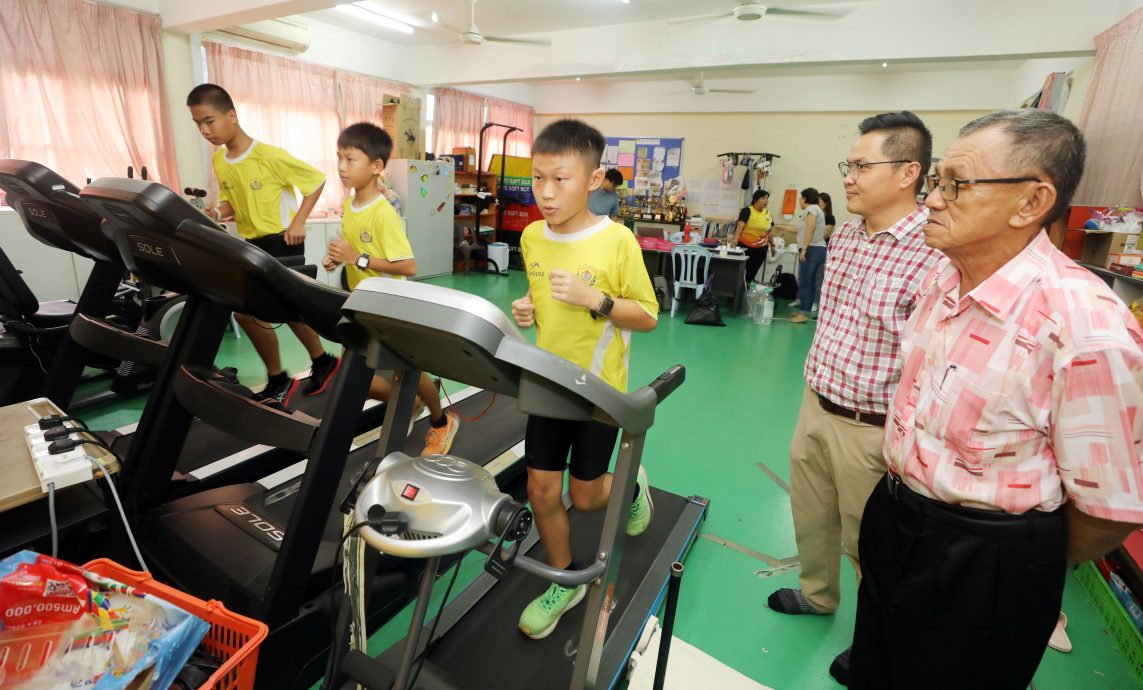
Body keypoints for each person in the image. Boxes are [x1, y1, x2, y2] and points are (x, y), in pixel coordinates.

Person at [849, 110, 1143, 690]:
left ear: (1031, 202)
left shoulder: (1084, 326)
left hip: (987, 560)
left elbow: (1109, 511)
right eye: (936, 181)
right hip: (895, 516)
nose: (932, 199)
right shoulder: (944, 280)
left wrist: (1007, 563)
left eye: (955, 183)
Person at [766, 111, 942, 684]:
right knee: (810, 514)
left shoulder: (933, 253)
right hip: (817, 402)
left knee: (872, 546)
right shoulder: (844, 235)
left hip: (872, 426)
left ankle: (878, 644)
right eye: (850, 164)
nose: (849, 176)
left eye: (863, 166)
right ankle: (818, 596)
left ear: (908, 172)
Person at [510, 120, 658, 639]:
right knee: (542, 491)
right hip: (548, 384)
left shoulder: (617, 241)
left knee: (588, 495)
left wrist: (596, 300)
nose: (546, 193)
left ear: (594, 179)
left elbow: (647, 315)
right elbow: (541, 301)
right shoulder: (530, 235)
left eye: (561, 179)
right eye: (538, 178)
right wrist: (528, 309)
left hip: (599, 391)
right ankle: (567, 579)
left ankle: (631, 485)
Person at [187, 83, 338, 403]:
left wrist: (299, 222)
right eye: (198, 123)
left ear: (232, 115)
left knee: (250, 314)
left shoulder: (269, 155)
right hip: (254, 243)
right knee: (290, 311)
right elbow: (231, 203)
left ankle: (280, 377)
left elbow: (315, 181)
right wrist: (215, 211)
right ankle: (322, 362)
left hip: (284, 239)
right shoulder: (221, 162)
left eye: (209, 121)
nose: (204, 130)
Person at [321, 122, 460, 456]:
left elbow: (407, 265)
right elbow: (356, 250)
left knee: (408, 371)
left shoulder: (384, 213)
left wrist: (359, 258)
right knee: (359, 378)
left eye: (350, 159)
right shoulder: (349, 205)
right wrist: (338, 259)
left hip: (391, 306)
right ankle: (410, 402)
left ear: (377, 167)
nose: (341, 166)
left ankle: (442, 422)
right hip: (360, 303)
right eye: (339, 157)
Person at [789, 188, 828, 322]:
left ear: (805, 198)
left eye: (800, 197)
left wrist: (804, 249)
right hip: (820, 249)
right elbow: (801, 229)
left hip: (812, 249)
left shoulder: (811, 209)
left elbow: (810, 228)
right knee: (810, 282)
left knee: (805, 282)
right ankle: (804, 311)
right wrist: (781, 227)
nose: (799, 200)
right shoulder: (817, 210)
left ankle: (803, 314)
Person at [731, 189, 773, 284]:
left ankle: (747, 291)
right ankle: (736, 294)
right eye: (763, 198)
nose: (766, 201)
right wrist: (735, 239)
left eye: (767, 199)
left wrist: (773, 245)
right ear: (756, 199)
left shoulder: (768, 213)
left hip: (761, 248)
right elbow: (740, 224)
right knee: (741, 271)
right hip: (745, 246)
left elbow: (769, 230)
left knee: (752, 272)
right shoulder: (747, 210)